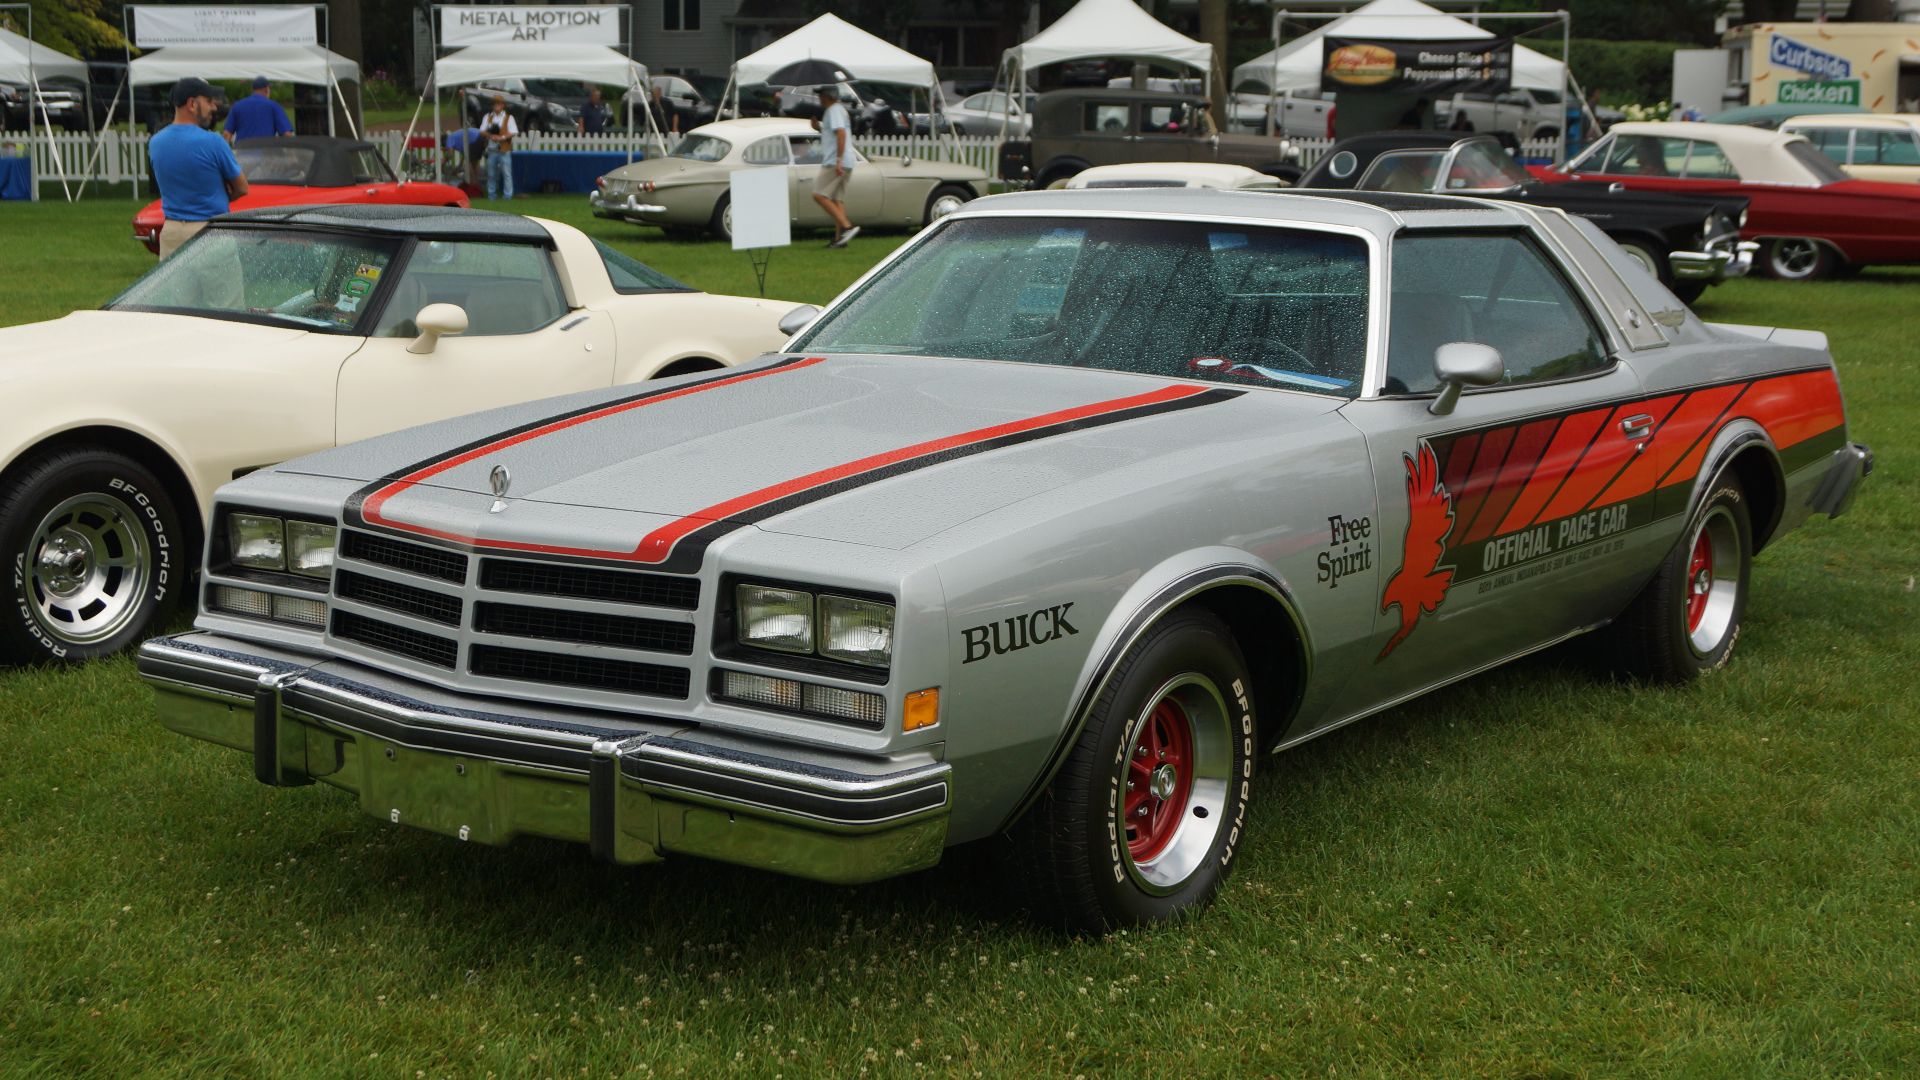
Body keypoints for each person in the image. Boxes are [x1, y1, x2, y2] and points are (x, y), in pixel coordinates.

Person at [148, 77, 248, 259]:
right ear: (192, 104)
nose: (214, 108)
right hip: (210, 232)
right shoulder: (214, 142)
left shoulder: (156, 143)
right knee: (222, 289)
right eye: (209, 101)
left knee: (176, 288)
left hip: (172, 232)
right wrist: (225, 194)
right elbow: (242, 187)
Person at [811, 85, 858, 248]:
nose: (819, 98)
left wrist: (838, 160)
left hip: (835, 162)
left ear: (829, 96)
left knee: (818, 194)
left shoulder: (834, 110)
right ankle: (840, 240)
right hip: (847, 161)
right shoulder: (838, 110)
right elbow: (834, 131)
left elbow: (841, 134)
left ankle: (846, 227)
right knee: (837, 199)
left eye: (821, 95)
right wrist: (819, 127)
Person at [223, 76, 292, 142]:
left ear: (252, 90)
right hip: (266, 150)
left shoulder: (237, 106)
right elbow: (287, 134)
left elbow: (227, 134)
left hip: (242, 151)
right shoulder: (274, 106)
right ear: (266, 89)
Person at [478, 94, 517, 200]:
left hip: (504, 149)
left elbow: (513, 132)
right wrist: (490, 136)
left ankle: (508, 196)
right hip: (492, 149)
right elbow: (482, 131)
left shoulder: (509, 118)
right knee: (491, 174)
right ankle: (491, 195)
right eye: (495, 103)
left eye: (498, 103)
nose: (496, 106)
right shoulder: (488, 117)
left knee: (507, 174)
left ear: (502, 105)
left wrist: (501, 137)